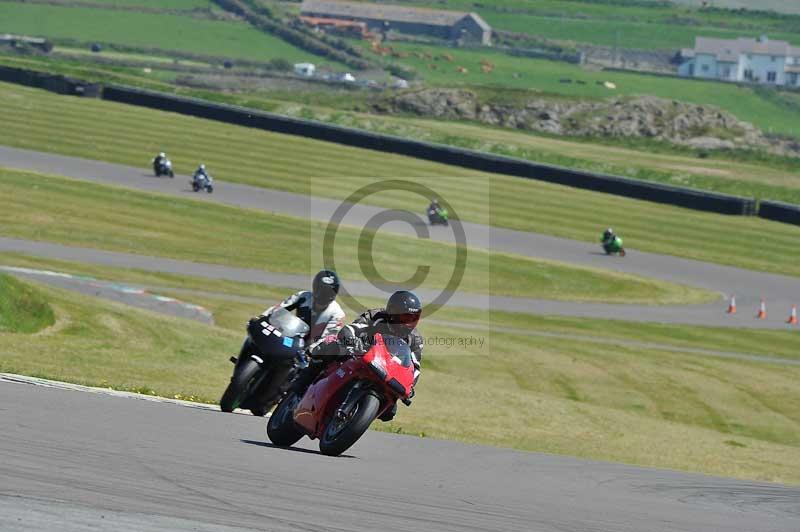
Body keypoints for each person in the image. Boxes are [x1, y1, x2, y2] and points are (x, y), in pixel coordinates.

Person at [292, 290, 423, 422]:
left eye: (413, 319)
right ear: (392, 312)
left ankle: (355, 417)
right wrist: (351, 341)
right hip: (358, 354)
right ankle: (298, 389)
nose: (408, 323)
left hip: (384, 370)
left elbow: (415, 367)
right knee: (329, 348)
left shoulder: (415, 339)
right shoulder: (376, 316)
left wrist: (410, 386)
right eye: (405, 318)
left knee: (389, 412)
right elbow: (353, 328)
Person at [259, 269, 346, 349]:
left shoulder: (337, 314)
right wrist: (262, 317)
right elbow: (279, 309)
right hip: (291, 339)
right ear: (315, 287)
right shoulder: (303, 296)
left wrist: (311, 351)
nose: (323, 294)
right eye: (321, 290)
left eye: (328, 292)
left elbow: (327, 339)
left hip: (311, 352)